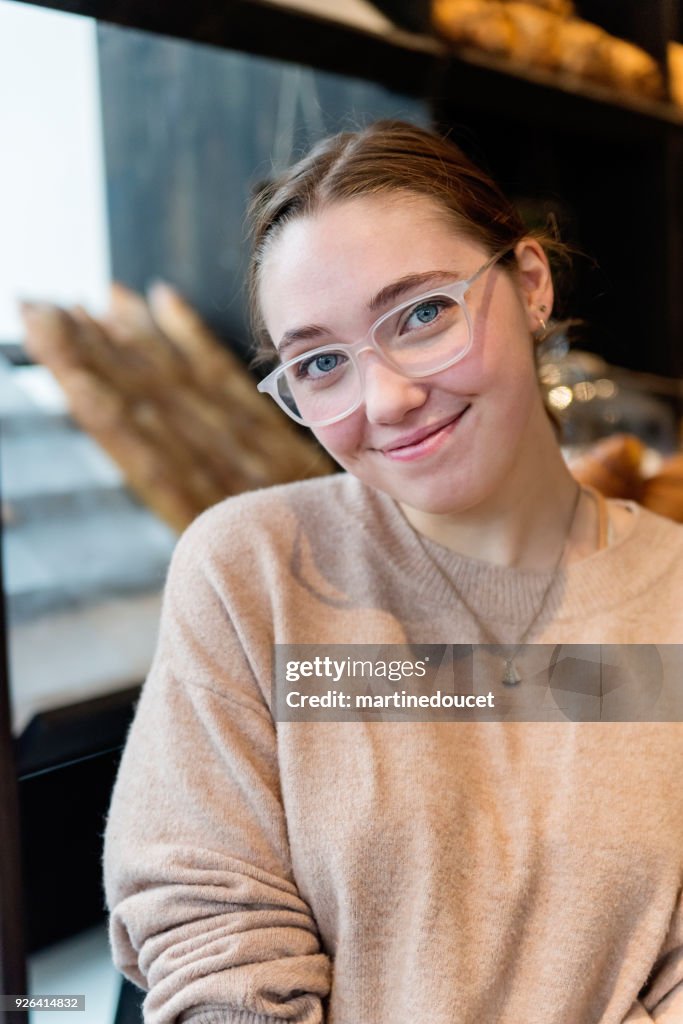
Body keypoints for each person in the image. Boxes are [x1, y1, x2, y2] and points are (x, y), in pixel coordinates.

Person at [103, 119, 683, 1024]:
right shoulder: (255, 571)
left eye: (421, 314)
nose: (386, 399)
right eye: (321, 363)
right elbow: (209, 932)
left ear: (530, 284)